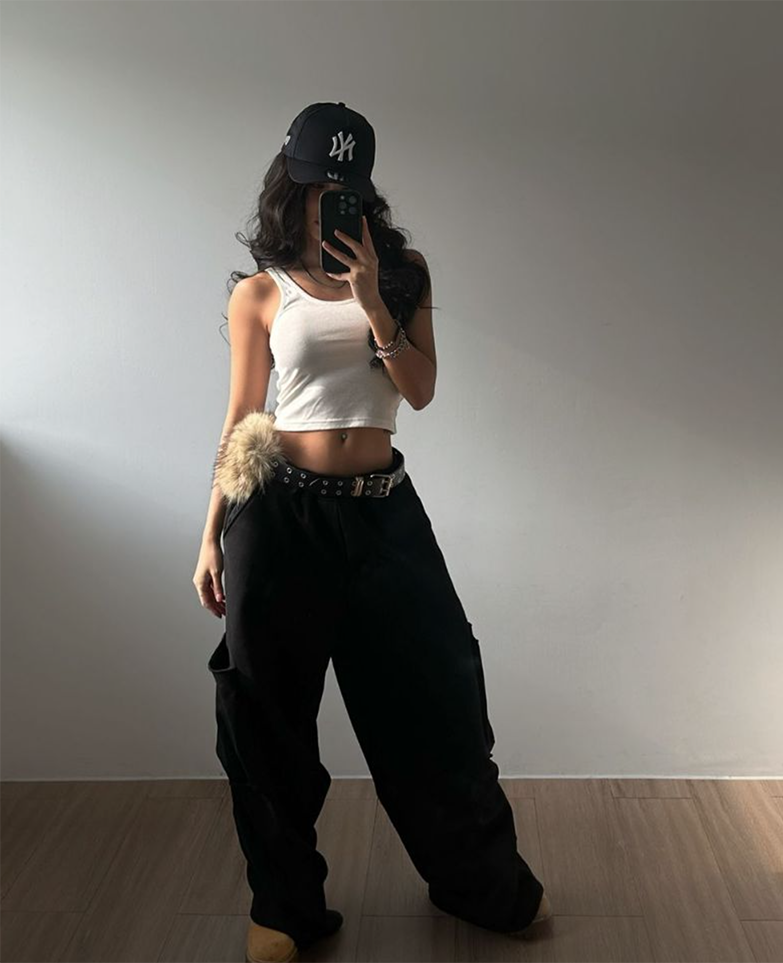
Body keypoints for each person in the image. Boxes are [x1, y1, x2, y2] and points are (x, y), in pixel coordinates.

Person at [192, 101, 552, 963]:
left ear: (365, 187)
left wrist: (373, 305)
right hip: (279, 512)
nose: (331, 200)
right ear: (292, 184)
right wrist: (208, 534)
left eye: (345, 186)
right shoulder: (260, 292)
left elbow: (419, 392)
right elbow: (242, 418)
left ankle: (478, 881)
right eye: (318, 186)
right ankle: (285, 906)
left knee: (438, 697)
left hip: (384, 507)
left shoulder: (403, 273)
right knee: (265, 714)